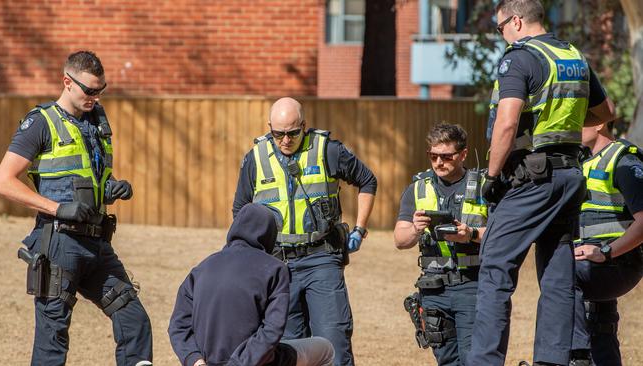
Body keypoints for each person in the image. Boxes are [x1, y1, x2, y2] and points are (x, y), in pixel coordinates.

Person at [467, 0, 616, 365]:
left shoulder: (520, 58)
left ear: (515, 21)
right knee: (557, 273)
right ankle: (552, 360)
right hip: (569, 176)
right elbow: (606, 112)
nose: (501, 35)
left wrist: (492, 175)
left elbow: (506, 123)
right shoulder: (573, 56)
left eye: (500, 28)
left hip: (532, 178)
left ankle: (484, 360)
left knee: (496, 265)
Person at [0, 51, 152, 365]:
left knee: (135, 322)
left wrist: (112, 188)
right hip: (59, 246)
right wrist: (56, 208)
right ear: (67, 82)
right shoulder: (41, 122)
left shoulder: (97, 123)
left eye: (100, 91)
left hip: (97, 247)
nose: (95, 97)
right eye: (89, 90)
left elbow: (86, 181)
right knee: (52, 344)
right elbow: (2, 181)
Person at [232, 97, 377, 366]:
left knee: (334, 342)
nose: (286, 140)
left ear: (305, 126)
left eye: (293, 133)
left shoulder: (327, 150)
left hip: (322, 258)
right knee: (287, 348)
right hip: (276, 265)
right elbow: (240, 210)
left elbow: (367, 180)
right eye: (278, 134)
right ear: (269, 128)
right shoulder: (255, 159)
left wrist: (360, 229)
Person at [168, 203, 335, 366]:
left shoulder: (201, 268)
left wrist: (195, 360)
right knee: (326, 349)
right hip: (253, 360)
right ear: (269, 235)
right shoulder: (274, 268)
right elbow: (273, 329)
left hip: (206, 361)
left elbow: (178, 325)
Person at [395, 123, 487, 365]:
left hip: (473, 286)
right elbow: (400, 239)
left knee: (474, 359)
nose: (438, 162)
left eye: (446, 156)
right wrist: (415, 229)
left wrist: (471, 234)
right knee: (447, 361)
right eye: (433, 156)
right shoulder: (417, 189)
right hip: (433, 289)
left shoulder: (484, 186)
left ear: (463, 154)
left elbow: (503, 235)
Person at [570, 122, 643, 365]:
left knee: (562, 278)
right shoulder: (582, 161)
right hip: (593, 261)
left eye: (580, 120)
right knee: (600, 325)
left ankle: (576, 357)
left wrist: (605, 251)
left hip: (616, 262)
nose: (572, 126)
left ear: (600, 123)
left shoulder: (623, 161)